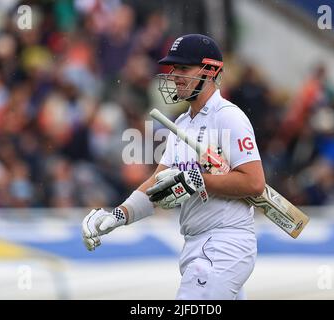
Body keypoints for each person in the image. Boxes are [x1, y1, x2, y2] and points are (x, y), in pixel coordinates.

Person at [82, 34, 266, 300]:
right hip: (198, 243)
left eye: (183, 68)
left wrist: (195, 179)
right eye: (173, 69)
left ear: (210, 71)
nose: (174, 75)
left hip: (224, 244)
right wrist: (118, 215)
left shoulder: (228, 116)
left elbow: (253, 183)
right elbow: (158, 184)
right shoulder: (182, 123)